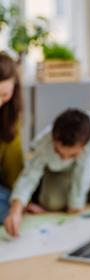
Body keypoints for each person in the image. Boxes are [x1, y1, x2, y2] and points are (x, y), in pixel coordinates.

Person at [4, 109, 90, 237]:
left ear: (84, 145)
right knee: (52, 203)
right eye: (59, 153)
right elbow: (29, 177)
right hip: (57, 170)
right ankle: (68, 187)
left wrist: (76, 202)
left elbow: (85, 169)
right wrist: (15, 212)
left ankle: (82, 190)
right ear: (53, 140)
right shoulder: (43, 144)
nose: (65, 158)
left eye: (72, 154)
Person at [0, 52, 24, 224]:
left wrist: (20, 201)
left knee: (7, 205)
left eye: (4, 95)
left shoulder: (10, 116)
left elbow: (14, 164)